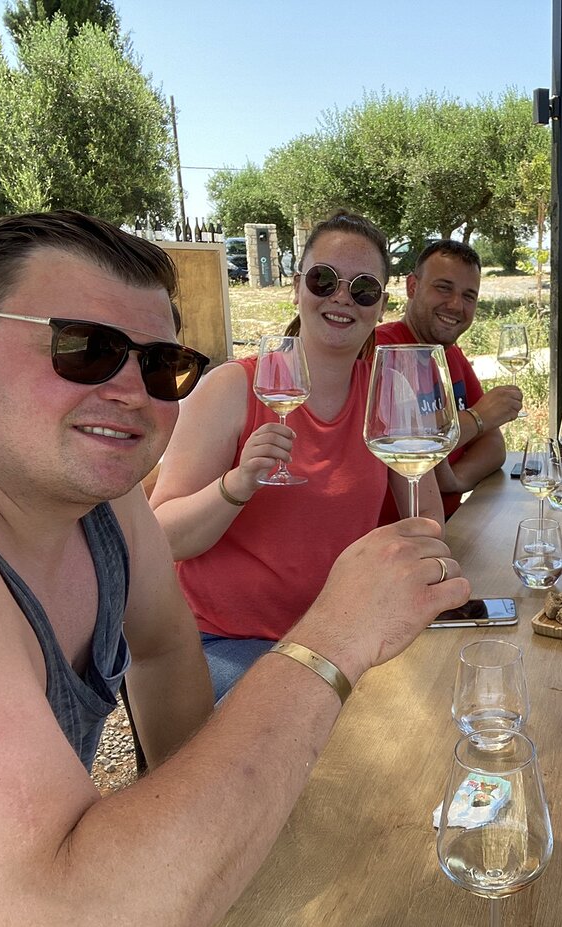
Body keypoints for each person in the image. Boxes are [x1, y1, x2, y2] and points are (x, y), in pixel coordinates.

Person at [0, 210, 467, 927]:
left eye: (159, 365)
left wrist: (211, 816)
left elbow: (161, 651)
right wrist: (333, 635)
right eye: (84, 350)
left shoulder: (104, 502)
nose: (131, 393)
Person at [151, 211, 444, 701]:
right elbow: (163, 539)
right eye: (324, 279)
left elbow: (427, 517)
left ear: (382, 305)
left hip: (341, 638)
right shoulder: (232, 387)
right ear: (297, 287)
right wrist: (236, 485)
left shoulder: (387, 392)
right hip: (229, 642)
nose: (342, 297)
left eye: (364, 288)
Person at [374, 239, 523, 519]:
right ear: (412, 287)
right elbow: (409, 448)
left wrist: (453, 481)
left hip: (451, 525)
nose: (456, 305)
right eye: (443, 288)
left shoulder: (449, 354)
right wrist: (477, 418)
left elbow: (494, 446)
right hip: (398, 539)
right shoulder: (382, 352)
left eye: (469, 296)